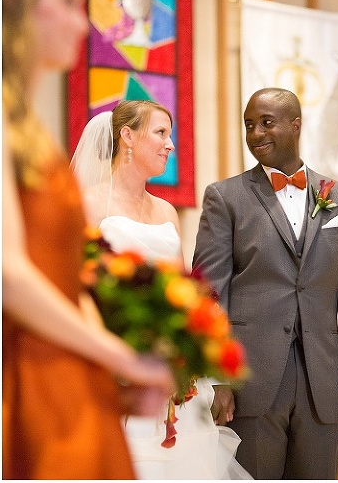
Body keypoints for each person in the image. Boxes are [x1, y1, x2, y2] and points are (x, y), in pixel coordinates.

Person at [2, 0, 174, 480]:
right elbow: (8, 274)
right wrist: (118, 355)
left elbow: (68, 277)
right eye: (71, 3)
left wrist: (121, 367)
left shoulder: (33, 135)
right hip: (20, 365)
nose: (84, 23)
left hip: (65, 360)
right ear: (20, 7)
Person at [193, 87, 338, 479]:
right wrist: (216, 378)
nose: (256, 133)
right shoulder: (225, 198)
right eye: (248, 125)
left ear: (295, 125)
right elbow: (209, 294)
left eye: (266, 122)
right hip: (249, 379)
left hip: (323, 379)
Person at [71, 100, 251, 480]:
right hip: (116, 363)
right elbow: (78, 287)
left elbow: (183, 296)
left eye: (170, 135)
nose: (171, 144)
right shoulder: (88, 204)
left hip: (174, 374)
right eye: (161, 133)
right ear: (127, 136)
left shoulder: (167, 212)